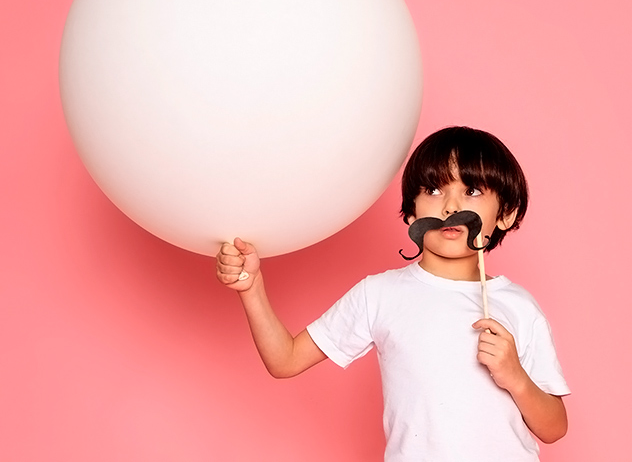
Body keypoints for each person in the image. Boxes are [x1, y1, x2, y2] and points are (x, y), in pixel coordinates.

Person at [216, 126, 569, 461]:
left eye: (472, 191)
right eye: (433, 190)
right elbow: (286, 359)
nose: (449, 206)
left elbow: (554, 428)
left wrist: (515, 376)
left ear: (505, 214)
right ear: (410, 211)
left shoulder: (519, 306)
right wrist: (252, 286)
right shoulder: (380, 294)